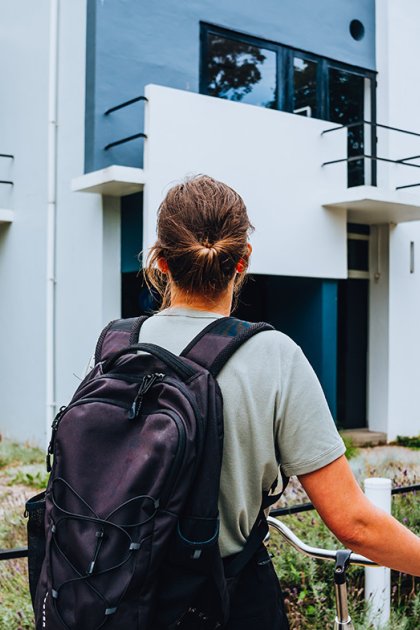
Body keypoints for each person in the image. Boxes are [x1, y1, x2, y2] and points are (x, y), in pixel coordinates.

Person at [136, 175, 420, 629]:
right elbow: (353, 525)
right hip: (223, 602)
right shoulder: (274, 355)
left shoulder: (119, 343)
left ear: (162, 262)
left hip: (116, 593)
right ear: (242, 262)